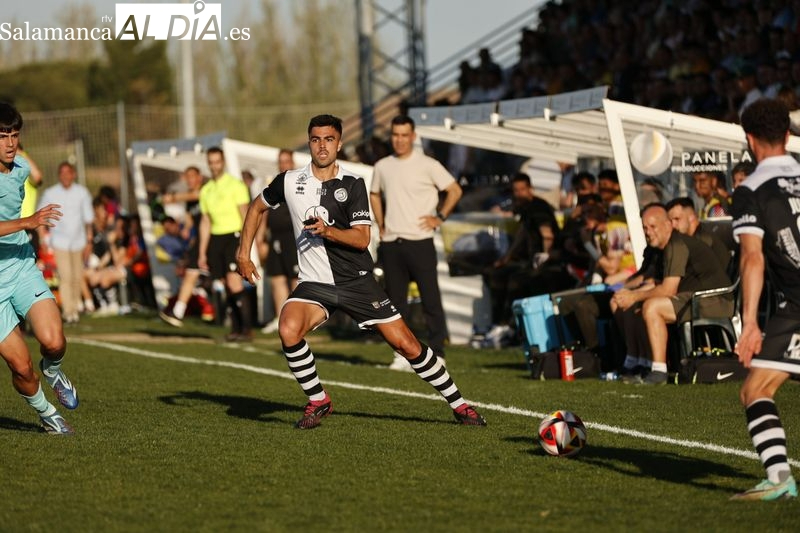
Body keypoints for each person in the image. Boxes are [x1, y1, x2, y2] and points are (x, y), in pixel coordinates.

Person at [236, 114, 486, 429]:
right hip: (315, 283)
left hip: (357, 282)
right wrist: (243, 254)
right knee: (288, 328)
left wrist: (328, 232)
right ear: (309, 143)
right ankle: (318, 400)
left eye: (329, 140)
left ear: (339, 144)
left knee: (407, 345)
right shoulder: (288, 181)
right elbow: (256, 207)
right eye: (316, 139)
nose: (322, 146)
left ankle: (460, 405)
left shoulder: (353, 183)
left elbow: (362, 238)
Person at [730, 98, 799, 500]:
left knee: (755, 390)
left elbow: (753, 257)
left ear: (750, 140)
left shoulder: (750, 189)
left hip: (796, 303)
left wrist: (750, 322)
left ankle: (779, 480)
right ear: (788, 135)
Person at [0, 102, 78, 434]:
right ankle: (47, 414)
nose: (10, 143)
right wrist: (27, 222)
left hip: (20, 266)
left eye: (14, 135)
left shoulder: (20, 167)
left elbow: (35, 174)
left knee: (55, 342)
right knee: (21, 368)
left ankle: (54, 371)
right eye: (2, 136)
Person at [369, 115, 462, 370]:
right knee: (395, 303)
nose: (399, 140)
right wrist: (381, 223)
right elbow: (374, 193)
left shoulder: (428, 164)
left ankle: (437, 352)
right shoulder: (382, 166)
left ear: (413, 136)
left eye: (404, 135)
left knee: (430, 299)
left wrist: (439, 217)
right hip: (391, 242)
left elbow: (455, 190)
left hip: (420, 241)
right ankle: (402, 354)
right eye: (395, 135)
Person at [612, 203, 732, 385]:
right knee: (637, 305)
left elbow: (668, 290)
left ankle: (659, 371)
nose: (648, 232)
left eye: (653, 226)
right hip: (693, 298)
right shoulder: (666, 247)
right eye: (645, 227)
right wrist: (631, 295)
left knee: (652, 307)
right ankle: (641, 363)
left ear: (668, 225)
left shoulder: (677, 244)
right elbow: (658, 283)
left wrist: (634, 296)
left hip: (715, 300)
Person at [198, 148, 253, 342]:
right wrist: (202, 252)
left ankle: (247, 328)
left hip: (233, 236)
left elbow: (245, 216)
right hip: (216, 238)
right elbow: (205, 222)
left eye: (217, 161)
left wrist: (244, 244)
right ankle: (235, 328)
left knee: (234, 282)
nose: (214, 166)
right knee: (224, 284)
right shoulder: (206, 190)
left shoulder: (235, 185)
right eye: (211, 162)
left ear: (223, 162)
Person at [37, 161, 94, 324]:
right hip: (59, 241)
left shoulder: (82, 192)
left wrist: (89, 240)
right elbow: (40, 216)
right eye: (62, 173)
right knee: (66, 276)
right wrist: (43, 239)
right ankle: (68, 311)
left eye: (68, 173)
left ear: (73, 174)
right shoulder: (51, 193)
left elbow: (88, 219)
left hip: (78, 241)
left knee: (77, 277)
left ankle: (74, 308)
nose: (65, 176)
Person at [260, 149, 299, 334]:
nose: (284, 165)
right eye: (281, 161)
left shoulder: (299, 182)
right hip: (275, 237)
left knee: (295, 278)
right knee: (277, 277)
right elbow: (263, 210)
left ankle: (297, 318)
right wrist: (260, 238)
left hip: (294, 236)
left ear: (292, 163)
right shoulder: (274, 184)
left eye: (286, 161)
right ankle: (280, 317)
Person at [159, 166, 204, 327]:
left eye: (192, 176)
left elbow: (197, 195)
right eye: (187, 177)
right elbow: (190, 219)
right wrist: (185, 229)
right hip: (201, 242)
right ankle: (178, 312)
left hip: (216, 239)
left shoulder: (206, 190)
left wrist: (173, 197)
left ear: (199, 177)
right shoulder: (189, 201)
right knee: (191, 273)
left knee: (229, 280)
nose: (190, 180)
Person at [665, 197, 731, 271]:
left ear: (691, 217)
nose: (673, 225)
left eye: (677, 219)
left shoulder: (704, 240)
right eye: (670, 221)